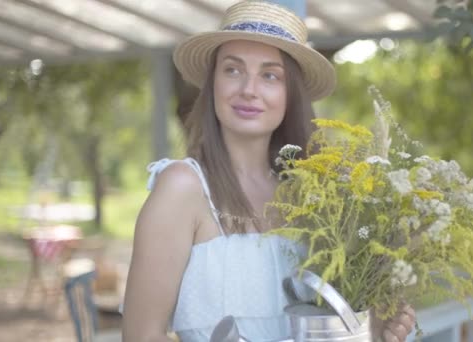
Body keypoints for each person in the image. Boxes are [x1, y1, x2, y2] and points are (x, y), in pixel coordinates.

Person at [122, 1, 416, 341]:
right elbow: (141, 336)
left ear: (290, 93)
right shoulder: (182, 188)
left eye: (269, 75)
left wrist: (371, 329)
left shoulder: (318, 196)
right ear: (213, 83)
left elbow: (328, 328)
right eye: (232, 70)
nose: (248, 88)